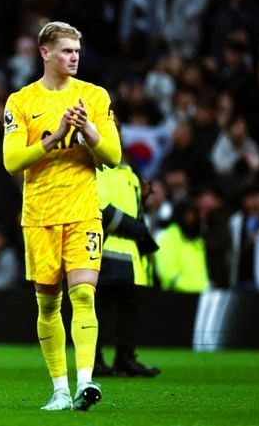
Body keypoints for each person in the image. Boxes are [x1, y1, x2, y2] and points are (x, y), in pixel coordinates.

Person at [2, 21, 121, 411]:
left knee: (84, 295)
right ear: (45, 53)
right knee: (48, 306)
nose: (74, 57)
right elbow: (11, 161)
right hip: (39, 215)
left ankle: (86, 382)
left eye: (77, 51)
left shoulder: (95, 96)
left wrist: (88, 129)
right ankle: (59, 390)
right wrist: (53, 139)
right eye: (67, 50)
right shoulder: (21, 101)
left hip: (84, 211)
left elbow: (114, 157)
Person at [94, 154, 161, 377]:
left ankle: (125, 358)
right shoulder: (98, 168)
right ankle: (94, 361)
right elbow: (100, 208)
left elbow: (135, 210)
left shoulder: (130, 173)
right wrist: (135, 228)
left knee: (129, 307)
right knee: (99, 308)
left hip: (130, 255)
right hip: (103, 249)